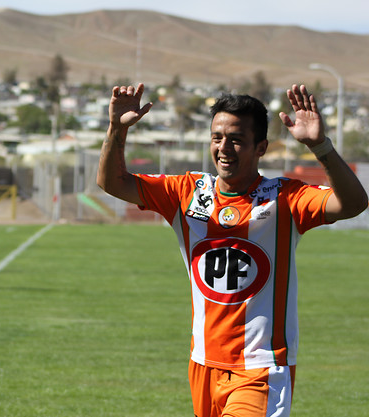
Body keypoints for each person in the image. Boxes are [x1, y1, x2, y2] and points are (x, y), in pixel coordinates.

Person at [97, 83, 367, 417]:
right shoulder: (186, 192)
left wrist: (321, 146)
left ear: (261, 147)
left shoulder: (284, 198)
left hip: (261, 367)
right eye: (217, 137)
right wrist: (116, 129)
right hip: (204, 364)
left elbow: (354, 203)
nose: (224, 147)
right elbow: (112, 182)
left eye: (236, 139)